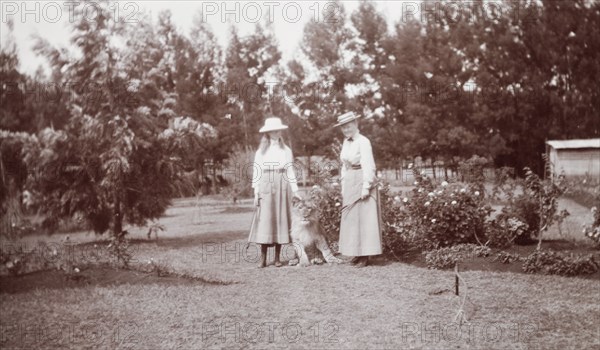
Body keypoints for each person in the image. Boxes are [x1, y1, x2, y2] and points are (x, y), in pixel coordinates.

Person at [248, 117, 301, 268]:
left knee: (280, 218)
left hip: (282, 184)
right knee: (265, 220)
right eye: (273, 130)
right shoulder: (261, 151)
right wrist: (256, 193)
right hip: (266, 183)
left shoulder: (286, 150)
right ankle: (263, 258)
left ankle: (277, 258)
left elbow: (290, 171)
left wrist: (296, 190)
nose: (276, 132)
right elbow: (256, 172)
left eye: (278, 130)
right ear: (268, 132)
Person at [335, 111, 382, 267]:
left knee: (364, 218)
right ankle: (356, 252)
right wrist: (343, 183)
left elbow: (369, 165)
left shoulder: (363, 141)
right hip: (350, 180)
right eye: (343, 127)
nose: (346, 130)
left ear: (355, 124)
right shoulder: (346, 142)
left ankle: (365, 255)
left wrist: (366, 187)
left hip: (361, 179)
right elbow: (344, 165)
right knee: (352, 218)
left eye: (348, 126)